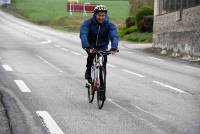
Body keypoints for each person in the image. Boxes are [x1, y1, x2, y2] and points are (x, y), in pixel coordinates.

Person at [80, 5, 119, 81]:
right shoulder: (88, 23)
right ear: (95, 15)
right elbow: (83, 34)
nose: (101, 17)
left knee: (103, 63)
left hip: (102, 46)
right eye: (99, 15)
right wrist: (86, 46)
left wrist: (114, 47)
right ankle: (88, 71)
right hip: (91, 45)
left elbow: (114, 36)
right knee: (91, 56)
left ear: (105, 15)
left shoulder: (109, 25)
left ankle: (102, 82)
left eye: (103, 15)